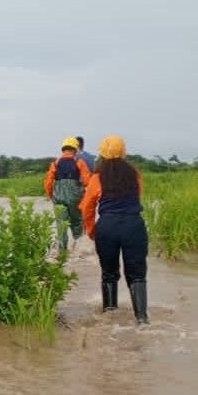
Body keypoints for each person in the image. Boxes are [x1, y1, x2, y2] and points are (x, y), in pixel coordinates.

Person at [79, 135, 149, 324]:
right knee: (137, 274)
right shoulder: (135, 175)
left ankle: (110, 315)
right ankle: (142, 319)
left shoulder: (96, 178)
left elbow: (87, 207)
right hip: (134, 225)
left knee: (109, 273)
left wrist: (92, 230)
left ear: (101, 154)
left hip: (107, 227)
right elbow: (138, 196)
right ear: (124, 153)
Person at [44, 137, 91, 251]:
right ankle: (78, 247)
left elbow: (48, 183)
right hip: (75, 196)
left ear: (63, 149)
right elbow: (87, 181)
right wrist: (79, 187)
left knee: (61, 224)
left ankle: (62, 251)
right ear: (75, 150)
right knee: (77, 221)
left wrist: (52, 196)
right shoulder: (79, 162)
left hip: (59, 196)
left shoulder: (55, 163)